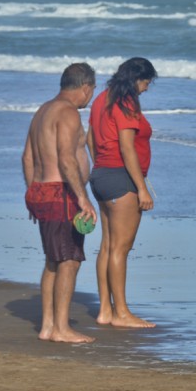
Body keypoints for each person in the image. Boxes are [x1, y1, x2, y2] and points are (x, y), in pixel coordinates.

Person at [21, 62, 98, 343]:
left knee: (53, 260)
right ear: (85, 87)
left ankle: (48, 326)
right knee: (69, 260)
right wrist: (82, 198)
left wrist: (33, 194)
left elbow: (27, 158)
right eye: (92, 91)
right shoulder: (67, 113)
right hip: (61, 193)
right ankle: (62, 329)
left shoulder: (42, 111)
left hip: (42, 191)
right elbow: (66, 158)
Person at [88, 57, 158, 329]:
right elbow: (127, 147)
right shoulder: (126, 103)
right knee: (120, 248)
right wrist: (142, 189)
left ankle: (106, 309)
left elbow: (89, 138)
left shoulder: (101, 99)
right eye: (146, 82)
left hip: (102, 176)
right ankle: (122, 313)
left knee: (107, 246)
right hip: (122, 179)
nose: (146, 88)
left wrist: (99, 166)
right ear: (136, 79)